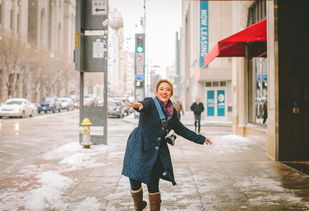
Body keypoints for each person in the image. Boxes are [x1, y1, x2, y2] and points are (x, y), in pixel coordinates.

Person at [122, 79, 212, 211]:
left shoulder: (172, 113)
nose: (164, 92)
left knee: (153, 182)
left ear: (171, 93)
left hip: (156, 150)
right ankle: (139, 205)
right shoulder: (150, 103)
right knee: (134, 179)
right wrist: (139, 105)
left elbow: (181, 130)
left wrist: (201, 139)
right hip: (139, 146)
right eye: (161, 89)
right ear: (157, 91)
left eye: (168, 89)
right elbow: (144, 105)